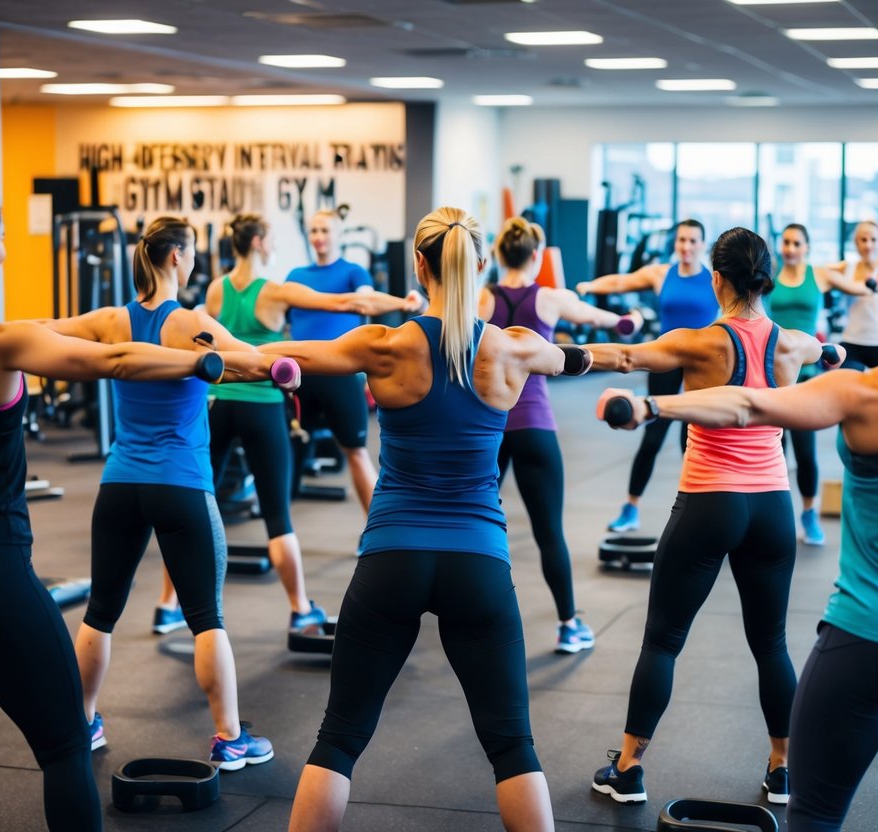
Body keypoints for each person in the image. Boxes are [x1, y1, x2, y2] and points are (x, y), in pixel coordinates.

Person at [600, 218, 878, 830]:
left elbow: (747, 402)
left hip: (869, 634)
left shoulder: (861, 390)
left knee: (814, 811)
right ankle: (776, 764)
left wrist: (653, 405)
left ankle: (629, 765)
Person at [0, 184, 236, 831]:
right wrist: (199, 359)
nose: (6, 255)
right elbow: (117, 360)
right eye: (5, 241)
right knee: (67, 744)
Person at [264, 207, 578, 832]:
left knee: (339, 738)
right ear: (480, 265)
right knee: (513, 745)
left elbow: (280, 350)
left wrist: (204, 348)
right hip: (478, 566)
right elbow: (603, 356)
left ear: (419, 265)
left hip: (391, 560)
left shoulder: (384, 344)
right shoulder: (515, 349)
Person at [584, 227, 842, 807]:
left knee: (663, 642)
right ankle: (783, 769)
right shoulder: (794, 343)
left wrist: (556, 356)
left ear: (716, 279)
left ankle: (628, 769)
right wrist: (830, 351)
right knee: (771, 643)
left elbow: (625, 355)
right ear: (766, 278)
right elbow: (832, 351)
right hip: (773, 509)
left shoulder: (700, 342)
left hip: (709, 502)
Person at [42, 216, 297, 768]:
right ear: (177, 257)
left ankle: (81, 723)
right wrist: (284, 369)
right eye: (193, 252)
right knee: (206, 616)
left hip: (119, 485)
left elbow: (48, 330)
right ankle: (230, 737)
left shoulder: (113, 319)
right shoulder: (189, 323)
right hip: (180, 485)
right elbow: (248, 356)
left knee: (100, 612)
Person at [152, 213, 421, 637]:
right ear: (259, 243)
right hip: (262, 406)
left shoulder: (216, 289)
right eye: (273, 238)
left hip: (219, 405)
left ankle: (167, 606)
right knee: (278, 517)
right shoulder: (277, 290)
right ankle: (299, 608)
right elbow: (350, 303)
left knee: (195, 509)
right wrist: (404, 305)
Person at [481, 216, 639, 654]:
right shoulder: (549, 298)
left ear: (498, 255)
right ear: (537, 256)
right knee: (549, 531)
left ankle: (468, 617)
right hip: (534, 423)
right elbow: (604, 321)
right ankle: (569, 625)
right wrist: (629, 319)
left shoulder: (481, 300)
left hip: (490, 426)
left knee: (476, 525)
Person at [575, 219, 718, 533]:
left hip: (701, 363)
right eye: (682, 240)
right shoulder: (661, 274)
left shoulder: (715, 280)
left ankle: (699, 511)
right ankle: (631, 507)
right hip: (666, 358)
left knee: (693, 438)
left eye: (693, 241)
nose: (687, 246)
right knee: (653, 435)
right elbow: (620, 283)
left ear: (703, 244)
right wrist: (590, 286)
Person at [766, 223, 873, 546]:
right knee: (775, 449)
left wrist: (876, 284)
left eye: (796, 243)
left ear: (806, 247)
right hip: (774, 369)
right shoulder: (769, 280)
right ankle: (776, 516)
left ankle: (809, 514)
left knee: (805, 449)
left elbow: (857, 287)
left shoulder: (820, 275)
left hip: (808, 371)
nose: (790, 248)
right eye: (786, 243)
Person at [285, 209, 390, 518]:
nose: (319, 237)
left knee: (356, 452)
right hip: (300, 376)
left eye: (325, 231)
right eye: (314, 231)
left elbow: (366, 301)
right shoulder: (295, 277)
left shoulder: (354, 273)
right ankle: (281, 531)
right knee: (290, 453)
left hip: (340, 374)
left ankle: (376, 532)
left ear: (339, 234)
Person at [829, 220, 878, 371]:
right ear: (856, 243)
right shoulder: (846, 267)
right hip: (852, 342)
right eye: (863, 240)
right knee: (846, 389)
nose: (868, 245)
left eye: (873, 240)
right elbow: (821, 272)